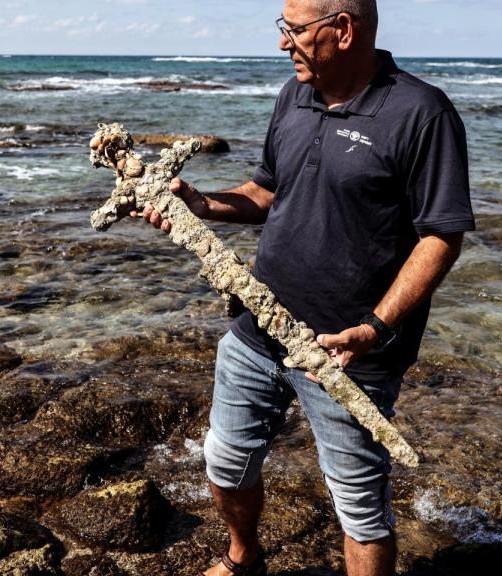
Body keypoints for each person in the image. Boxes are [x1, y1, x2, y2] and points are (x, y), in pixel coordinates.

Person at [137, 1, 475, 575]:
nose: (282, 44)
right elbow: (268, 191)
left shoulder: (423, 113)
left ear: (342, 30)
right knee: (224, 461)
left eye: (292, 30)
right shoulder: (293, 95)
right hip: (258, 328)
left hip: (347, 354)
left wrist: (373, 329)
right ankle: (244, 559)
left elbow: (440, 236)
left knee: (361, 510)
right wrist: (202, 204)